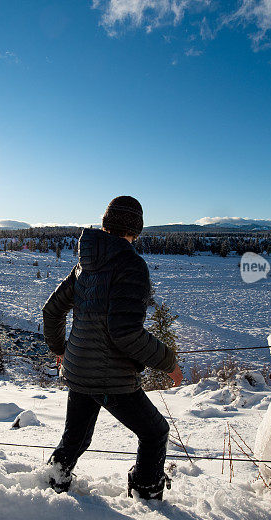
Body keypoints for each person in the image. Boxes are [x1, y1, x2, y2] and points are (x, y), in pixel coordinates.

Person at [42, 195, 183, 500]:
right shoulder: (131, 266)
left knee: (75, 439)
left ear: (106, 223)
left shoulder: (85, 264)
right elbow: (125, 334)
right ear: (136, 229)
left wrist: (61, 349)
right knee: (155, 433)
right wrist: (169, 362)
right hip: (111, 377)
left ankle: (51, 492)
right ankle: (147, 498)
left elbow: (51, 311)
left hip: (79, 371)